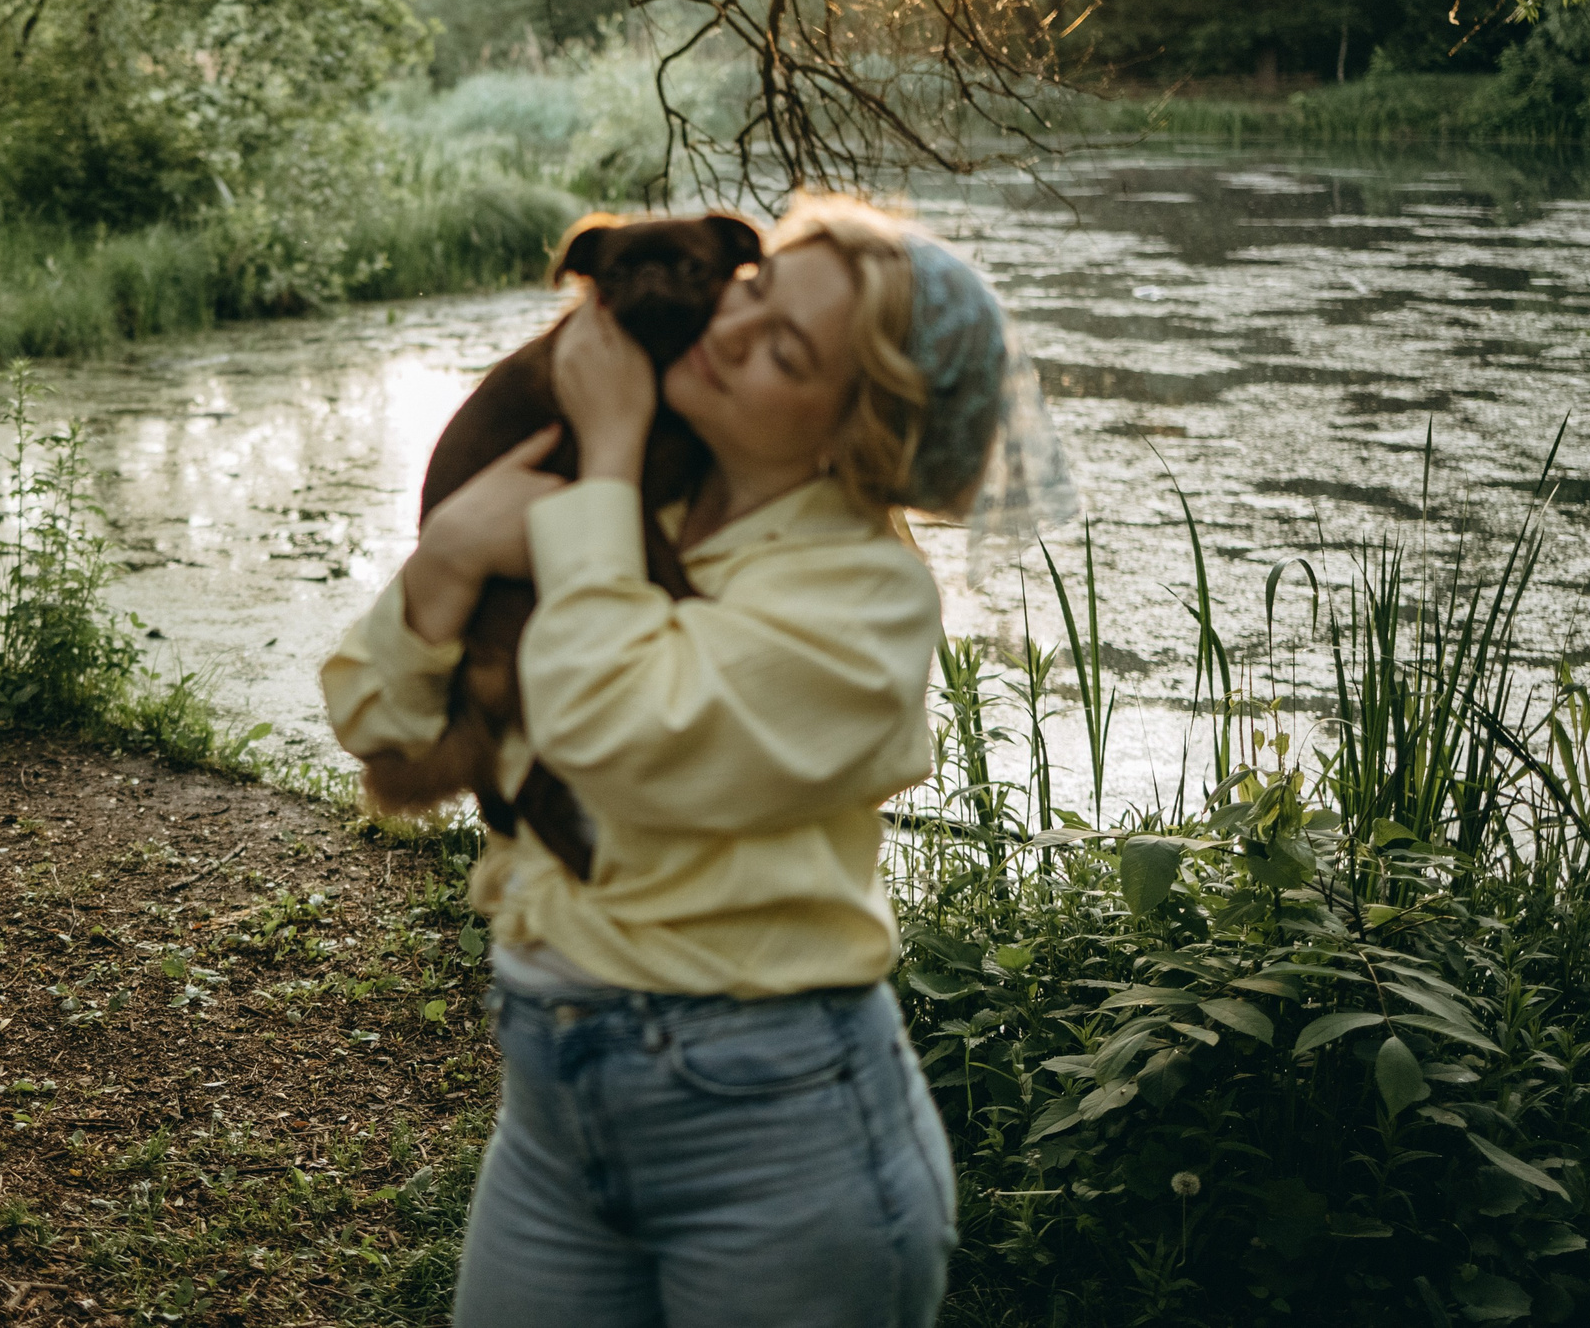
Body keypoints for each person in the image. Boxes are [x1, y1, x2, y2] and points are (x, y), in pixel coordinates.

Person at [321, 193, 1073, 1328]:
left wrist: (605, 456)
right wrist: (457, 551)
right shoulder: (641, 504)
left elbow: (607, 733)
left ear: (855, 430)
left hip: (773, 1135)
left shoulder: (862, 598)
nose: (728, 329)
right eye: (754, 292)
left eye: (787, 351)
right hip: (552, 1105)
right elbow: (376, 724)